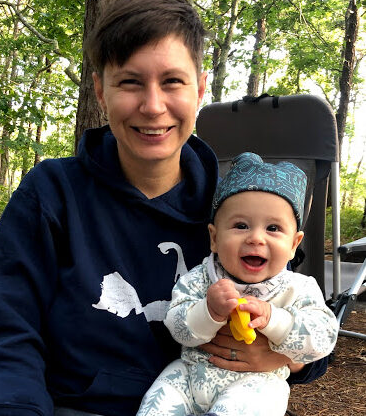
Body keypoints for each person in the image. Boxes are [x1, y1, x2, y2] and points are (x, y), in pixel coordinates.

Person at [0, 0, 328, 416]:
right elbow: (9, 337)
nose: (153, 106)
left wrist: (288, 358)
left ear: (200, 89)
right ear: (100, 90)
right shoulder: (51, 194)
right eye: (130, 82)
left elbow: (305, 320)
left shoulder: (242, 212)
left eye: (172, 81)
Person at [137, 152, 338, 416]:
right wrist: (208, 312)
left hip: (256, 382)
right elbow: (177, 327)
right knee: (158, 402)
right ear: (214, 238)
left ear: (294, 244)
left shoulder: (297, 289)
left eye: (273, 228)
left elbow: (323, 338)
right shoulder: (200, 279)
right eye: (241, 225)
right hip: (189, 374)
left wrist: (274, 320)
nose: (256, 238)